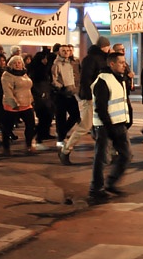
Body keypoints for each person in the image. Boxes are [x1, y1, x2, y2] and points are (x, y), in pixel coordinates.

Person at [88, 51, 133, 202]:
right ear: (111, 64)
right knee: (102, 159)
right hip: (105, 127)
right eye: (121, 62)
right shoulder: (103, 81)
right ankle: (96, 189)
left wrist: (128, 119)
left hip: (119, 124)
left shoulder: (120, 79)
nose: (124, 65)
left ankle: (110, 183)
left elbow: (123, 101)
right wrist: (109, 126)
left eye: (124, 62)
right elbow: (101, 108)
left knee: (126, 156)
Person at [60, 36, 112, 165]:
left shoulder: (105, 58)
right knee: (85, 126)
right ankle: (66, 150)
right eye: (107, 46)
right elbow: (85, 79)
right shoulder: (91, 59)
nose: (108, 48)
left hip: (101, 97)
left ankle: (107, 154)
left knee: (104, 126)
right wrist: (88, 96)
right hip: (91, 97)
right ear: (103, 46)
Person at [0, 55, 37, 156]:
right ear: (10, 64)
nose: (17, 64)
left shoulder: (24, 74)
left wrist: (32, 99)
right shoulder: (7, 75)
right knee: (8, 127)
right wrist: (13, 103)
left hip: (26, 104)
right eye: (15, 63)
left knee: (31, 125)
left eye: (19, 62)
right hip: (13, 106)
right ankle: (6, 147)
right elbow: (8, 91)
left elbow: (27, 88)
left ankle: (29, 145)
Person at [51, 44, 80, 147]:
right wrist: (61, 87)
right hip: (61, 94)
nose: (66, 52)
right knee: (61, 117)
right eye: (63, 51)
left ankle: (62, 132)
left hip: (71, 92)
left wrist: (74, 88)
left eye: (68, 50)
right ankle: (61, 138)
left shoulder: (70, 63)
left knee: (76, 114)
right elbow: (54, 79)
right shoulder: (57, 64)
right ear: (59, 52)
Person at [27, 49, 55, 150]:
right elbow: (33, 84)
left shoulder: (44, 68)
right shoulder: (36, 70)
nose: (45, 61)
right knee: (44, 117)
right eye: (44, 59)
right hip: (40, 97)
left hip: (46, 96)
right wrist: (40, 93)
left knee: (46, 118)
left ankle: (37, 137)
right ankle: (36, 138)